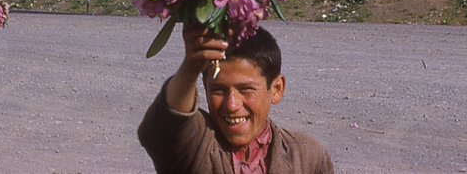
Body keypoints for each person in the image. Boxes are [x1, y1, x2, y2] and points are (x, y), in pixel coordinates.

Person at [138, 23, 334, 173]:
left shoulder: (307, 156)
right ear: (205, 87)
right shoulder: (197, 144)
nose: (231, 105)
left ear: (276, 89)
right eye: (218, 90)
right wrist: (190, 67)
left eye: (246, 89)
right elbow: (166, 128)